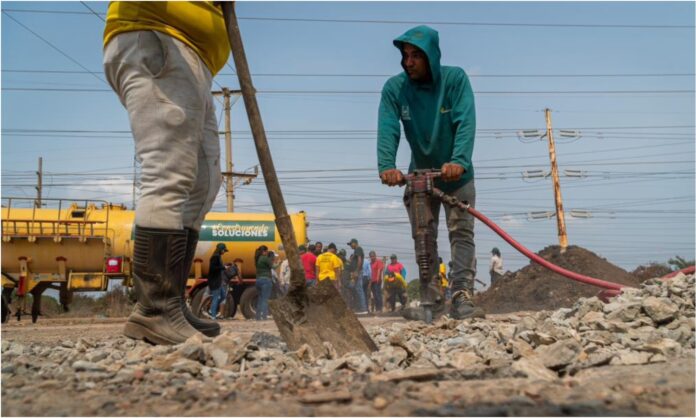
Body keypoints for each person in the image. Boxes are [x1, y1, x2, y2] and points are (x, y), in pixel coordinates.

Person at [103, 2, 230, 344]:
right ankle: (154, 310)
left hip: (194, 59)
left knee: (203, 183)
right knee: (169, 171)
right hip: (158, 39)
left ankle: (171, 300)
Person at [377, 25, 484, 321]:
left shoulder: (454, 80)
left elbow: (466, 122)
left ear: (431, 57)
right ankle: (431, 299)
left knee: (461, 233)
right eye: (405, 56)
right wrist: (386, 165)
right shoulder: (395, 88)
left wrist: (459, 160)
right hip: (420, 176)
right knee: (423, 237)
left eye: (416, 56)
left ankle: (461, 294)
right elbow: (388, 127)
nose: (408, 62)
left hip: (457, 176)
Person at [207, 243, 228, 321]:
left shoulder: (218, 257)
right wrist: (223, 267)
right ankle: (213, 316)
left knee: (223, 296)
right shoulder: (215, 257)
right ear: (220, 250)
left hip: (218, 280)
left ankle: (211, 310)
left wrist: (224, 266)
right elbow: (212, 268)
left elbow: (217, 267)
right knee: (216, 297)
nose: (224, 252)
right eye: (223, 250)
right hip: (214, 281)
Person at [347, 239, 367, 314]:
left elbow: (359, 260)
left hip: (357, 272)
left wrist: (356, 271)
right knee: (353, 288)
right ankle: (358, 307)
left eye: (351, 244)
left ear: (355, 243)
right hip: (355, 272)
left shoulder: (358, 249)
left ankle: (363, 309)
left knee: (359, 289)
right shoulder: (356, 250)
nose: (350, 246)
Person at [255, 245, 273, 321]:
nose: (267, 252)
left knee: (260, 298)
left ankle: (258, 316)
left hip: (258, 280)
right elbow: (273, 267)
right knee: (265, 299)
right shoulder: (265, 258)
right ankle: (264, 316)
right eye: (266, 251)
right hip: (266, 280)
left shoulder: (257, 258)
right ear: (264, 251)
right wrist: (279, 263)